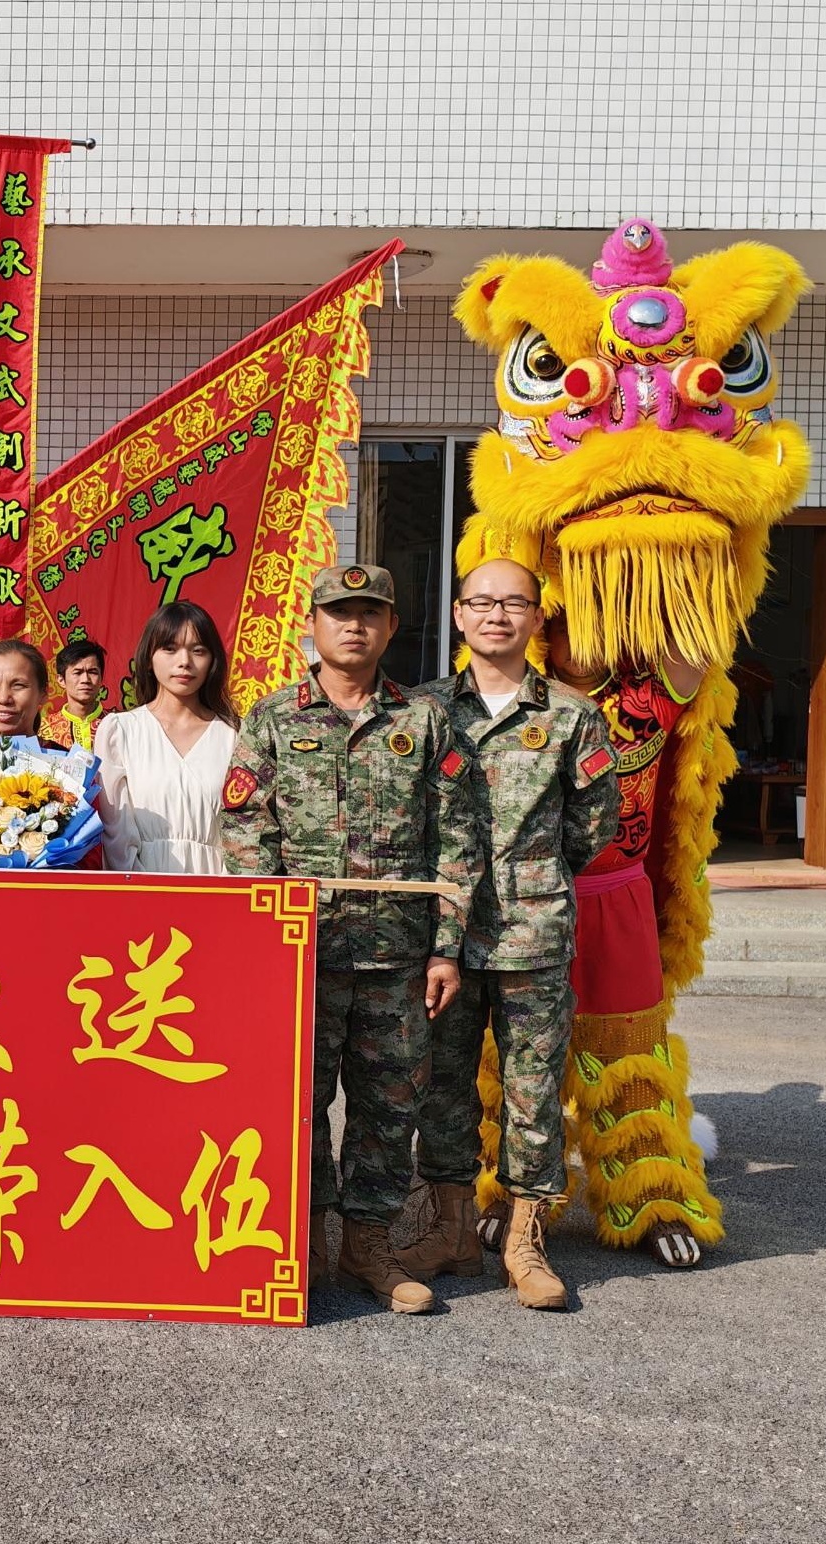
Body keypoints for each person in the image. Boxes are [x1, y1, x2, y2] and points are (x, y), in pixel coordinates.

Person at [217, 562, 485, 1314]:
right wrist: (268, 936)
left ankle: (369, 1245)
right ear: (313, 625)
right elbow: (245, 829)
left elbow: (456, 838)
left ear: (392, 626)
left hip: (397, 955)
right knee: (296, 1101)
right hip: (304, 954)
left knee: (388, 1106)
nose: (354, 626)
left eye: (370, 613)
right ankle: (299, 1239)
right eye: (339, 613)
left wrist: (446, 947)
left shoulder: (423, 721)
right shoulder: (274, 718)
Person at [403, 559, 621, 1309]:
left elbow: (594, 823)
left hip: (533, 932)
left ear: (535, 617)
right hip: (442, 934)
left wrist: (533, 875)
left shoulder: (571, 715)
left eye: (513, 603)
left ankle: (525, 1239)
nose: (497, 615)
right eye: (482, 602)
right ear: (458, 615)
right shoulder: (423, 709)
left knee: (533, 1090)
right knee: (442, 1084)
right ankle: (451, 1228)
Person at [95, 602, 240, 875]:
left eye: (198, 650)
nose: (184, 661)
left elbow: (244, 832)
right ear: (149, 657)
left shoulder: (233, 735)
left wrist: (224, 893)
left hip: (216, 885)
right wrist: (143, 890)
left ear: (213, 661)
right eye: (170, 649)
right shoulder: (120, 732)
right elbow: (115, 832)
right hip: (141, 886)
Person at [41, 637, 107, 753]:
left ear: (101, 678)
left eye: (92, 672)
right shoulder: (44, 730)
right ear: (61, 680)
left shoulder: (118, 724)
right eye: (77, 672)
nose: (85, 679)